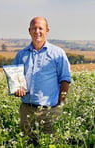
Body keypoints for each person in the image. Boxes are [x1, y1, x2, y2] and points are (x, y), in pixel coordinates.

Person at [13, 16, 71, 145]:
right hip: (26, 110)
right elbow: (14, 78)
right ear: (29, 31)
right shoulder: (21, 55)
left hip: (49, 111)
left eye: (40, 28)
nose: (37, 31)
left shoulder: (58, 53)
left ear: (47, 30)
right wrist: (17, 89)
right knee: (27, 143)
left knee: (49, 144)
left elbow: (65, 80)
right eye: (34, 28)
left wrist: (60, 103)